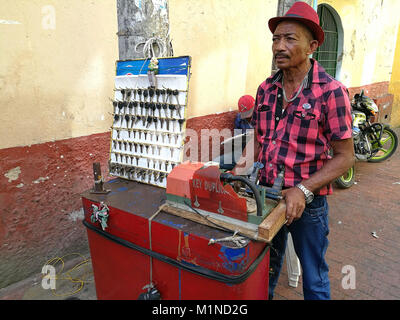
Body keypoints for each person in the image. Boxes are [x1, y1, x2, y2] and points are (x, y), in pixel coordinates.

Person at [232, 2, 355, 300]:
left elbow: (345, 156)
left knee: (314, 277)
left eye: (289, 39)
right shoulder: (266, 89)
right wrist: (237, 174)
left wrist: (303, 189)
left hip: (308, 204)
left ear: (312, 45)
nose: (279, 46)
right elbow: (259, 139)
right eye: (276, 39)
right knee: (265, 272)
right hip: (267, 197)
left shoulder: (331, 92)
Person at [216, 95, 255, 171]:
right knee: (215, 162)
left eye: (249, 113)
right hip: (241, 153)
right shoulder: (239, 118)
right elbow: (238, 138)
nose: (247, 117)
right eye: (245, 114)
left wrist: (255, 135)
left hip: (257, 156)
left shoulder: (264, 117)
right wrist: (232, 142)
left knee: (249, 170)